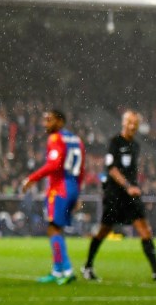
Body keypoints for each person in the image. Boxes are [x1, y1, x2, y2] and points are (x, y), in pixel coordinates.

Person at [82, 110, 156, 281]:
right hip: (115, 194)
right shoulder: (114, 142)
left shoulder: (136, 146)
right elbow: (112, 169)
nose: (132, 127)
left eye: (135, 124)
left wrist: (134, 186)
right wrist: (128, 185)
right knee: (104, 230)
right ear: (123, 123)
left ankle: (155, 270)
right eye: (129, 123)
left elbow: (131, 170)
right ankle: (88, 266)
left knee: (145, 229)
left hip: (131, 195)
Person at [21, 109, 84, 285]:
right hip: (72, 188)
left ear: (60, 121)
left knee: (53, 229)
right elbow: (82, 170)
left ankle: (67, 270)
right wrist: (77, 193)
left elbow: (54, 165)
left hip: (59, 189)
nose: (45, 124)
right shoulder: (77, 140)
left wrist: (32, 179)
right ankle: (57, 271)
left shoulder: (56, 138)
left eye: (49, 120)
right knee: (56, 229)